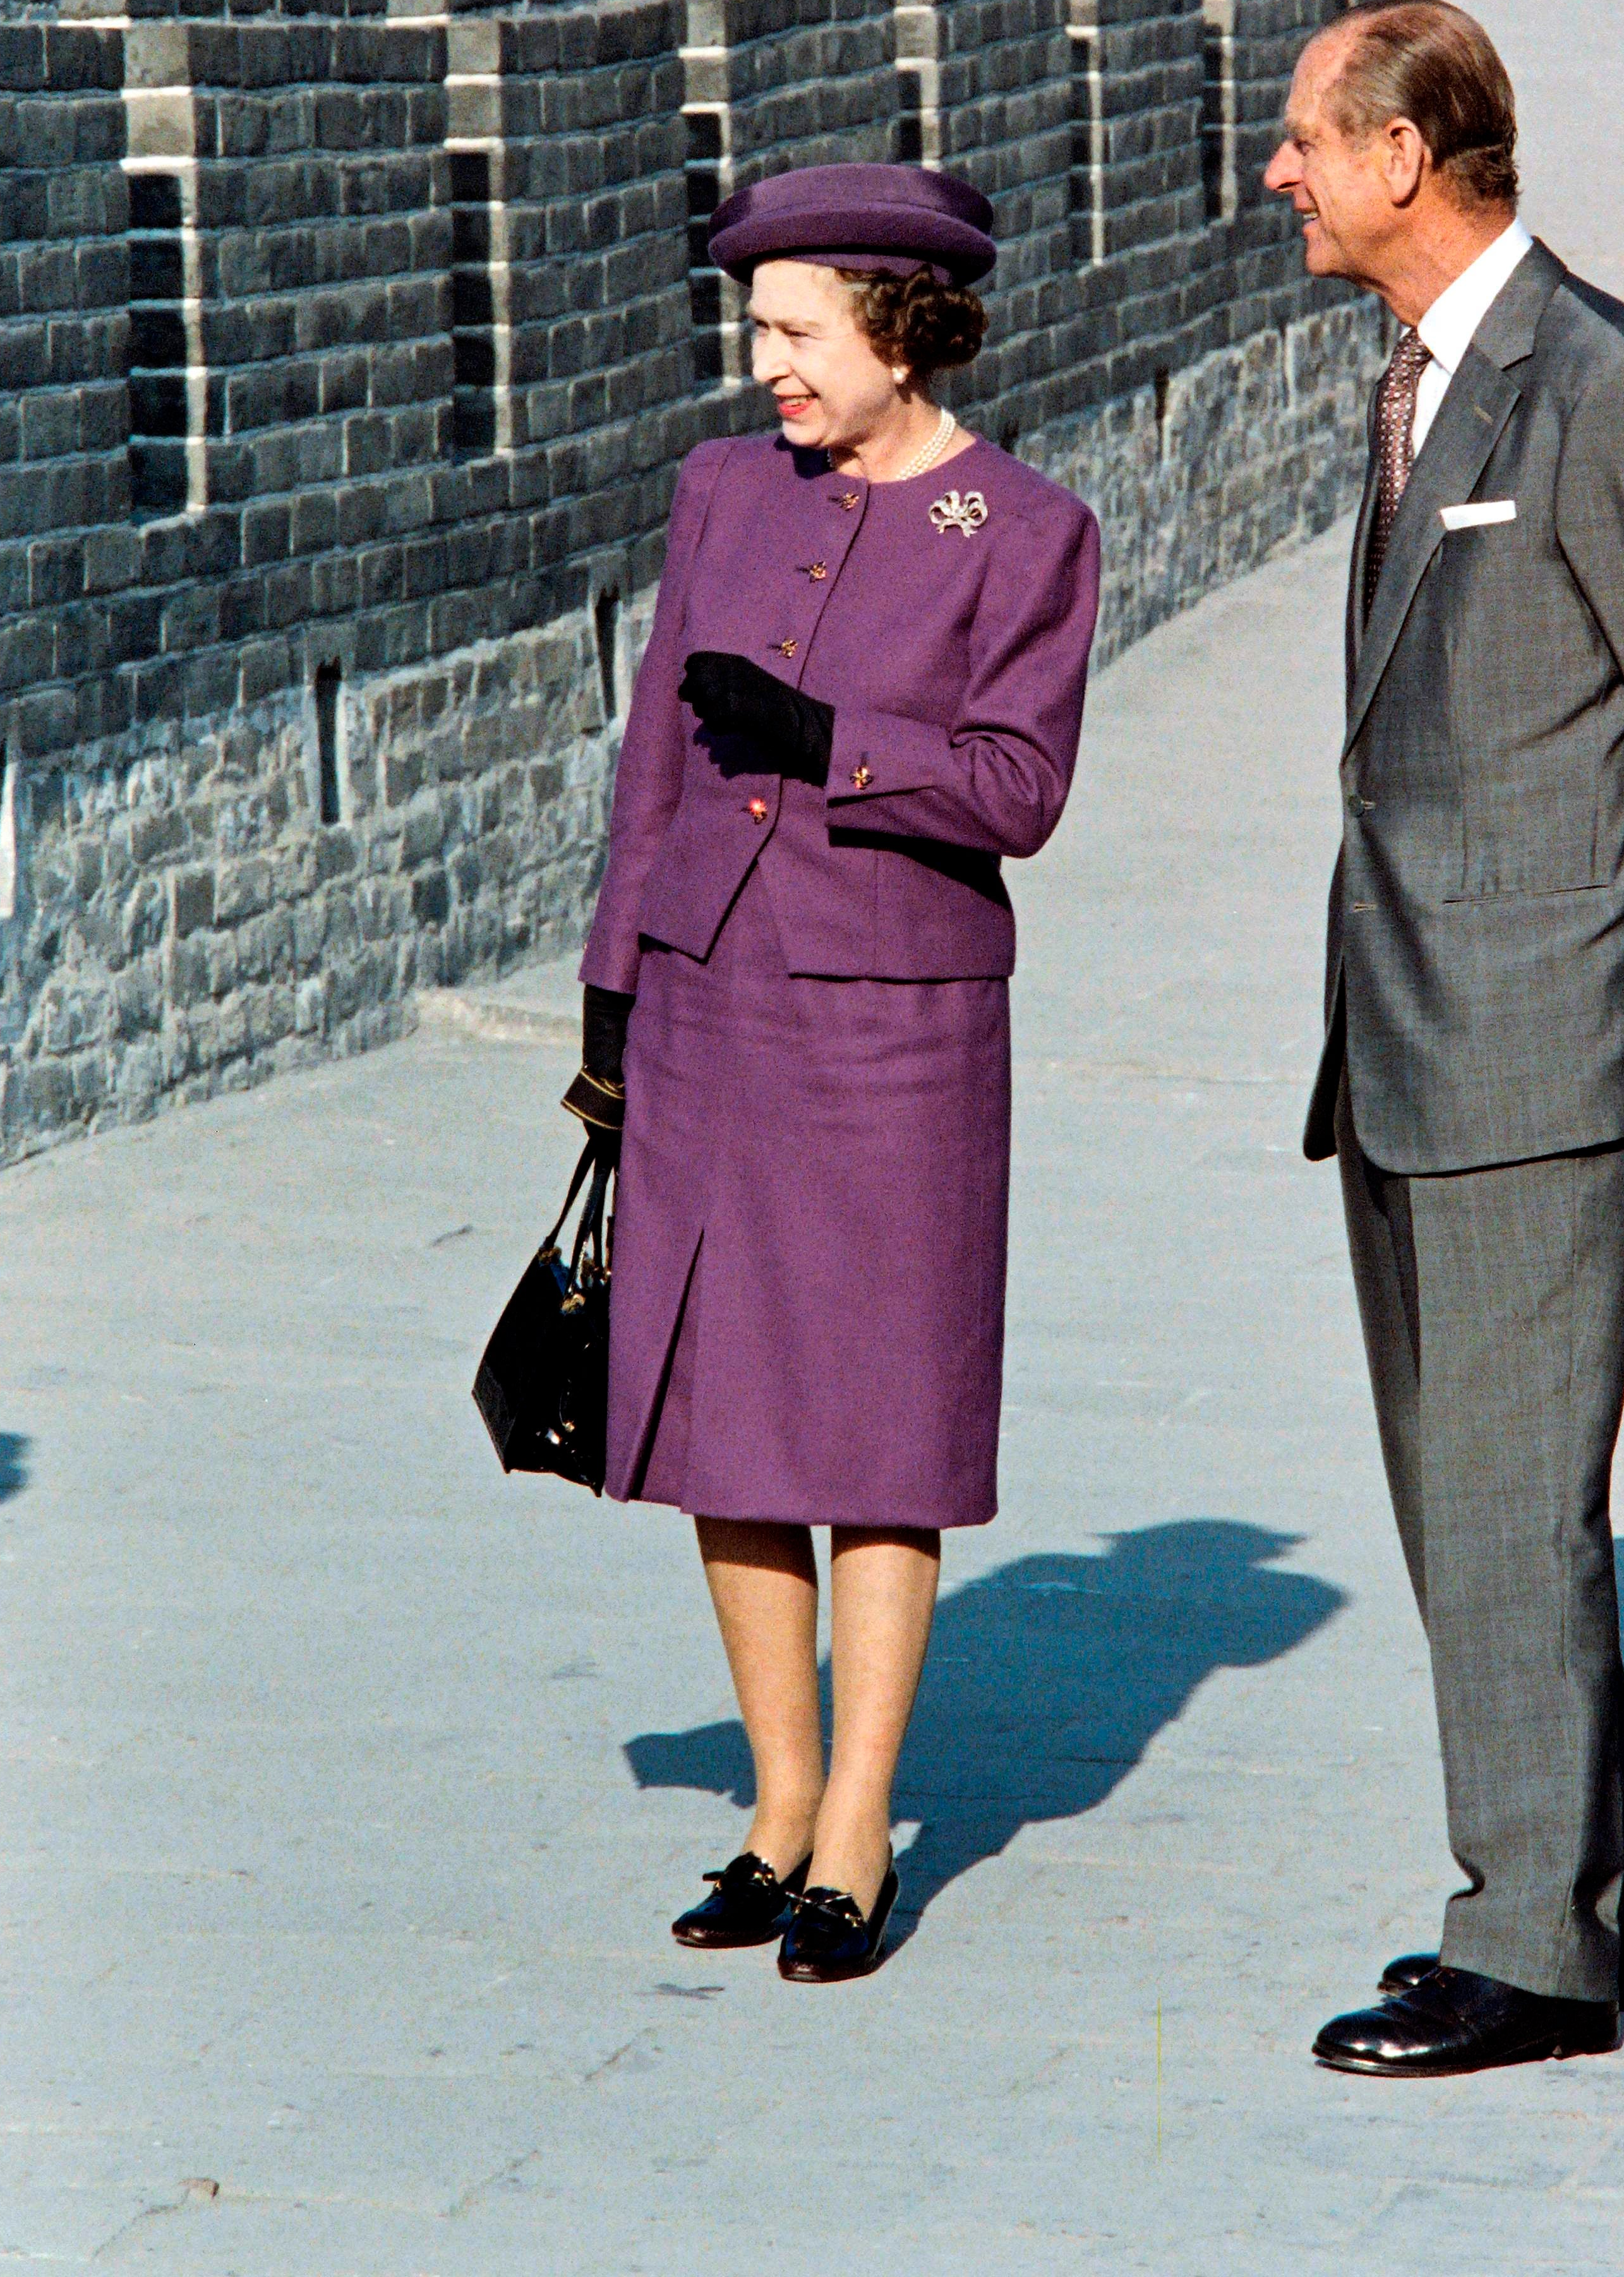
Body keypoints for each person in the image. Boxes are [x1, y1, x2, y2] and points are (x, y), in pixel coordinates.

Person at [1261, 3, 1624, 2081]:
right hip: (1405, 1024)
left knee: (1502, 1494)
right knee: (1467, 1495)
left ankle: (1529, 1956)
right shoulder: (1422, 379)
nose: (1280, 175)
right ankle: (1616, 1903)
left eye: (1305, 139)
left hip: (1532, 1036)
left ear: (1408, 157)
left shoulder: (1593, 384)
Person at [568, 160, 1102, 1985]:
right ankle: (776, 1807)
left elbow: (1022, 793)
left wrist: (835, 745)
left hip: (896, 1029)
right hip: (710, 1000)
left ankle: (863, 1828)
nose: (764, 367)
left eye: (796, 332)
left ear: (901, 326)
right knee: (725, 1412)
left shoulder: (1026, 531)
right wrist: (608, 992)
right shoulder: (723, 491)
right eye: (754, 329)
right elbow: (654, 751)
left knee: (876, 1425)